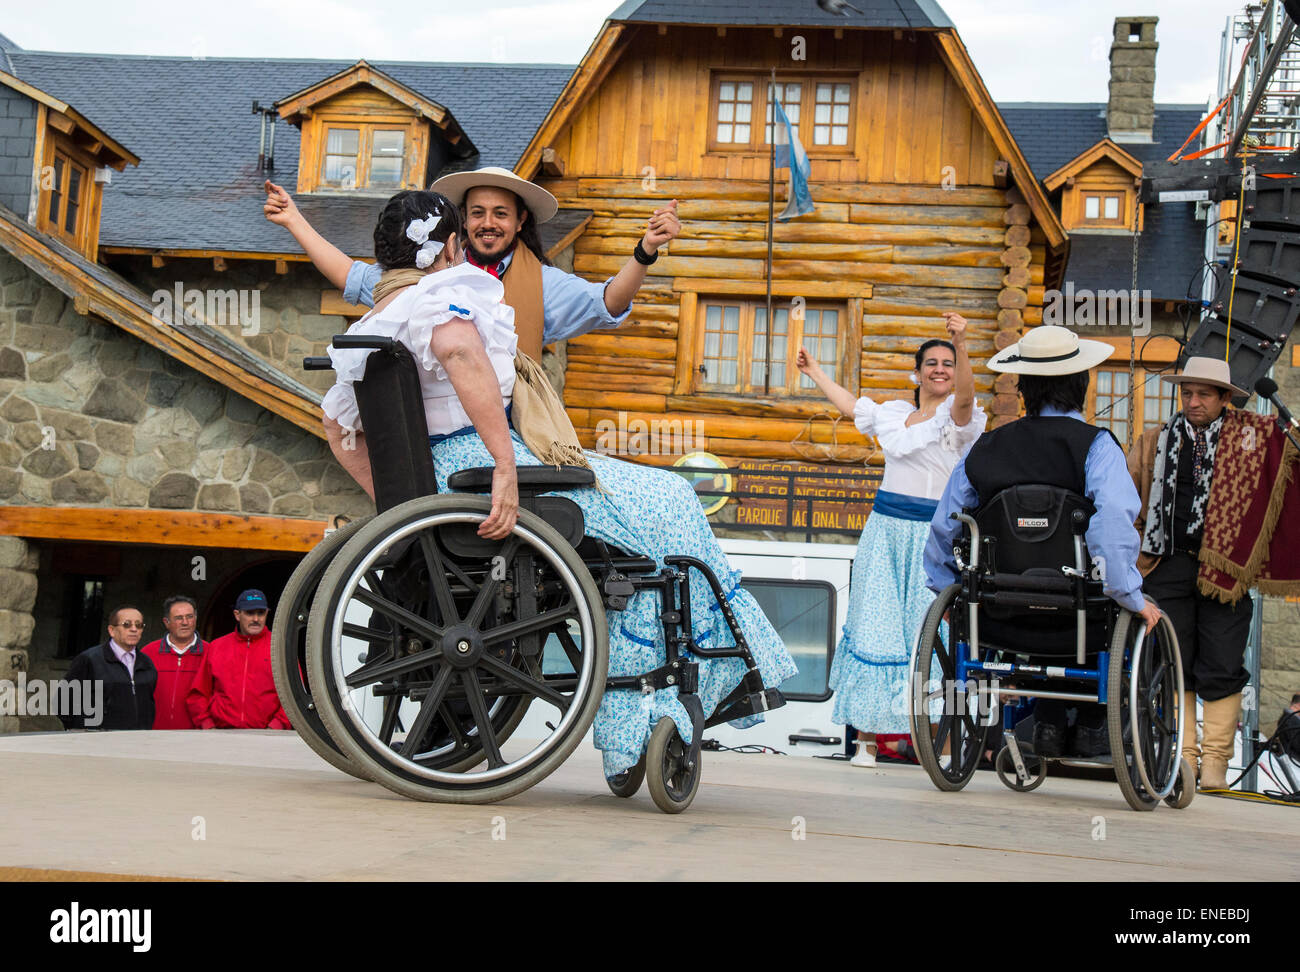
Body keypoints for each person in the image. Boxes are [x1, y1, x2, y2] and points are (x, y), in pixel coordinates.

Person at [320, 188, 795, 778]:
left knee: (642, 527)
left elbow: (338, 428)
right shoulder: (441, 301)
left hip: (443, 479)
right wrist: (503, 467)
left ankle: (652, 709)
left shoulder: (379, 320)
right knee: (666, 509)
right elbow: (460, 353)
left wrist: (399, 508)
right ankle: (669, 701)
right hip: (483, 465)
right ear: (449, 245)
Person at [925, 325, 1162, 759]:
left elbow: (945, 526)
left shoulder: (986, 447)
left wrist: (947, 593)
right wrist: (1129, 594)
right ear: (1081, 384)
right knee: (1126, 604)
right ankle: (1090, 724)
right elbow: (1111, 528)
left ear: (1024, 388)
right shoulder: (1097, 447)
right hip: (1080, 617)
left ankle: (1049, 722)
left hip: (998, 612)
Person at [798, 314, 985, 767]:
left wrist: (962, 343)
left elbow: (965, 395)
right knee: (873, 624)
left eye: (947, 362)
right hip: (884, 529)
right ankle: (865, 743)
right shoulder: (896, 415)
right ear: (917, 373)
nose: (940, 369)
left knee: (929, 630)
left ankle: (937, 748)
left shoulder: (959, 418)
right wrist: (815, 371)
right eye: (932, 363)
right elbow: (851, 406)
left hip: (933, 533)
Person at [264, 166, 680, 361]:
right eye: (477, 212)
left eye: (501, 213)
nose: (488, 223)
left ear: (520, 222)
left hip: (516, 432)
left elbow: (606, 302)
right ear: (462, 222)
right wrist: (294, 220)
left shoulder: (544, 285)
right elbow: (351, 275)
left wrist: (644, 251)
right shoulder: (423, 274)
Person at [1128, 357, 1270, 789]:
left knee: (1223, 664)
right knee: (1176, 661)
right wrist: (1135, 558)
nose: (1193, 402)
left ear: (1225, 399)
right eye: (1187, 393)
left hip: (1223, 570)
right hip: (1166, 564)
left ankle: (1215, 765)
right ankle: (1184, 759)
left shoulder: (1249, 443)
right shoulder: (1153, 441)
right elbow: (1130, 501)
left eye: (1204, 394)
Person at [187, 590, 291, 731]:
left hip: (269, 737)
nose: (256, 619)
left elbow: (293, 696)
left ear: (267, 613)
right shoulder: (217, 647)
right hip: (221, 734)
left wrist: (277, 726)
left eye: (260, 613)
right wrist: (207, 725)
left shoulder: (279, 647)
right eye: (249, 613)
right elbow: (198, 693)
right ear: (237, 615)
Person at [60, 606, 158, 731]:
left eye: (139, 625)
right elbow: (64, 702)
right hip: (97, 742)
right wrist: (83, 731)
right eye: (126, 624)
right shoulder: (90, 659)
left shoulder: (146, 663)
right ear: (112, 630)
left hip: (136, 740)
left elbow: (148, 704)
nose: (134, 629)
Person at [140, 595, 207, 730]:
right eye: (178, 618)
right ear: (166, 622)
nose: (185, 622)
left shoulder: (210, 653)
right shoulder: (148, 652)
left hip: (196, 736)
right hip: (153, 734)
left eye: (189, 617)